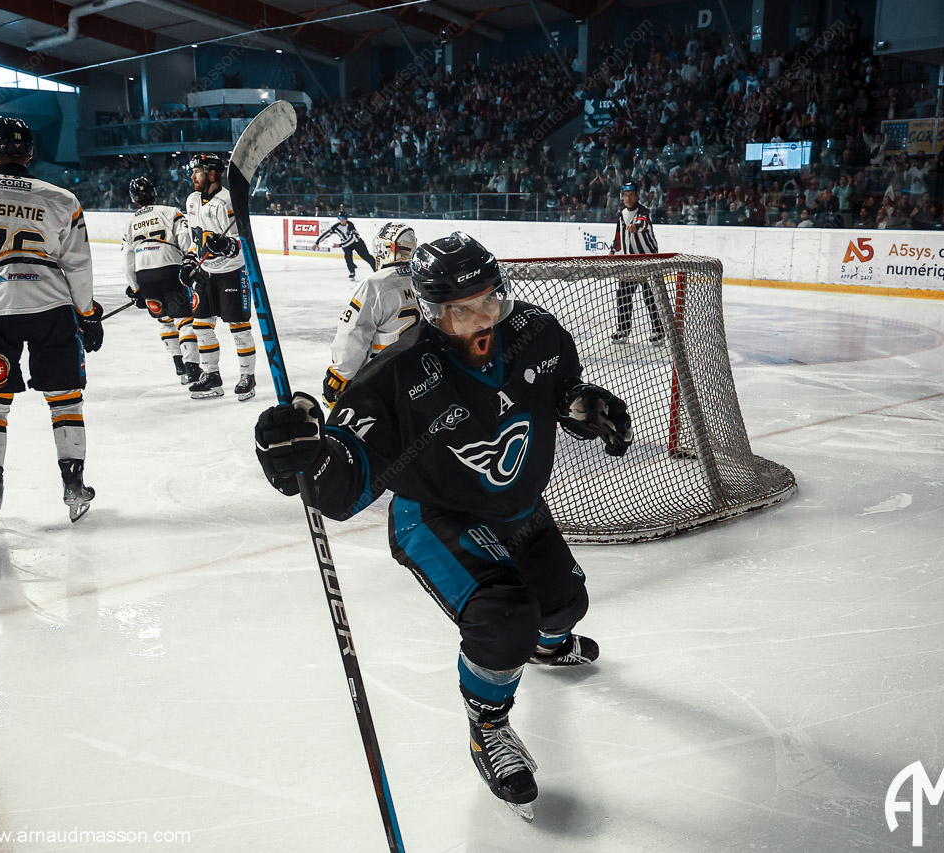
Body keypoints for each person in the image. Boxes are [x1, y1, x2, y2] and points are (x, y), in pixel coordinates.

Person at [254, 232, 630, 819]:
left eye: (490, 300)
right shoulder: (395, 374)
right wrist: (304, 458)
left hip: (518, 508)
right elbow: (344, 482)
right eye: (461, 310)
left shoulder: (537, 332)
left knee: (564, 605)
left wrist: (582, 406)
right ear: (430, 312)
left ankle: (545, 646)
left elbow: (561, 389)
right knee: (504, 618)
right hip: (433, 514)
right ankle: (488, 727)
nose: (482, 318)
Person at [0, 116, 102, 528]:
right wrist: (87, 313)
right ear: (29, 152)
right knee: (65, 398)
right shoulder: (62, 199)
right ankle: (73, 485)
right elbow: (78, 265)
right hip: (50, 307)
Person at [181, 153, 257, 401]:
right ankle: (211, 375)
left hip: (232, 272)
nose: (192, 176)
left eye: (197, 172)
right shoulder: (192, 201)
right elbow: (195, 240)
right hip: (206, 273)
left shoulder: (227, 201)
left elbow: (243, 241)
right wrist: (189, 261)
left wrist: (227, 245)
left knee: (239, 327)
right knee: (201, 326)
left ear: (212, 174)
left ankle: (247, 376)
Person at [321, 221, 420, 406]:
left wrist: (338, 376)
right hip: (421, 373)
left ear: (387, 248)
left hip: (383, 375)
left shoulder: (375, 284)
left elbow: (353, 332)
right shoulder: (422, 279)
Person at [120, 176, 197, 385]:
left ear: (134, 200)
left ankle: (179, 365)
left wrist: (135, 288)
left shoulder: (129, 224)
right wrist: (189, 263)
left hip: (145, 275)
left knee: (164, 320)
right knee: (184, 320)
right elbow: (186, 240)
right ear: (154, 193)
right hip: (170, 270)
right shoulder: (171, 212)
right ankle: (193, 369)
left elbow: (127, 260)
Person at [611, 181, 665, 344]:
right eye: (625, 195)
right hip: (630, 264)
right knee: (623, 295)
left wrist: (635, 227)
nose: (628, 199)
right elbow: (618, 235)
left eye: (631, 195)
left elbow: (642, 223)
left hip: (648, 263)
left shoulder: (644, 212)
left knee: (650, 297)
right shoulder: (622, 214)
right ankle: (623, 329)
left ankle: (658, 331)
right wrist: (613, 251)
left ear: (637, 196)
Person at [315, 212, 376, 280]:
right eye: (340, 218)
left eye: (343, 218)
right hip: (345, 244)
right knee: (348, 257)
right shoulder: (336, 227)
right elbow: (326, 234)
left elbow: (352, 239)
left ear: (346, 219)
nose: (342, 220)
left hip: (357, 243)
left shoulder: (350, 225)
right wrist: (317, 242)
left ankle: (376, 270)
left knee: (366, 256)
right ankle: (352, 272)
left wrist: (340, 245)